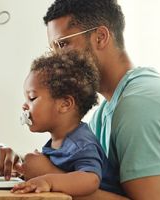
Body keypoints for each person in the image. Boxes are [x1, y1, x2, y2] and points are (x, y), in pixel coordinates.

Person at [0, 0, 160, 199]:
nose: (57, 58)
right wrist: (21, 164)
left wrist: (50, 175)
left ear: (100, 37)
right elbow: (88, 172)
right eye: (53, 48)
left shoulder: (139, 105)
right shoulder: (107, 110)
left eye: (63, 44)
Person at [8, 50, 123, 196]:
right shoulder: (59, 142)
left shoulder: (81, 143)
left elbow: (90, 179)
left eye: (32, 98)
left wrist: (48, 181)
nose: (24, 106)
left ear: (65, 104)